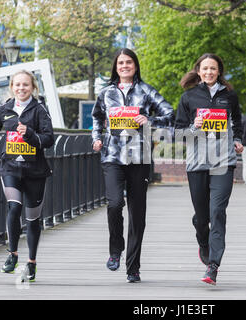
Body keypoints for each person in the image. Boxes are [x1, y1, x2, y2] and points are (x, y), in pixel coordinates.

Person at [91, 48, 174, 283]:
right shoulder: (106, 93)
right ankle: (115, 250)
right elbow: (97, 118)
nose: (125, 66)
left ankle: (133, 267)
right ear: (115, 67)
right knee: (115, 203)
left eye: (129, 62)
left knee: (137, 213)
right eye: (120, 63)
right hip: (112, 156)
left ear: (135, 65)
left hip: (139, 157)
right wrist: (96, 138)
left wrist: (150, 120)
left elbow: (169, 113)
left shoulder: (146, 90)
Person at [0, 70, 54, 282]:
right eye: (18, 85)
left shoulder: (39, 110)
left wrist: (28, 133)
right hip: (10, 168)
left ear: (33, 88)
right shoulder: (4, 109)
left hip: (35, 171)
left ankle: (31, 263)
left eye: (26, 85)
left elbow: (49, 139)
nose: (21, 88)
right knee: (14, 206)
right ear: (12, 86)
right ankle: (12, 255)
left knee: (32, 220)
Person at [175, 53, 243, 285]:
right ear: (198, 71)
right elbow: (179, 133)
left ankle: (213, 265)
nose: (209, 72)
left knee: (217, 212)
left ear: (219, 71)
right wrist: (194, 126)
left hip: (224, 161)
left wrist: (238, 140)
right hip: (197, 163)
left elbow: (237, 123)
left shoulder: (230, 96)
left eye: (213, 69)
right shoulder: (189, 97)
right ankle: (203, 241)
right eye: (205, 69)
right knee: (202, 217)